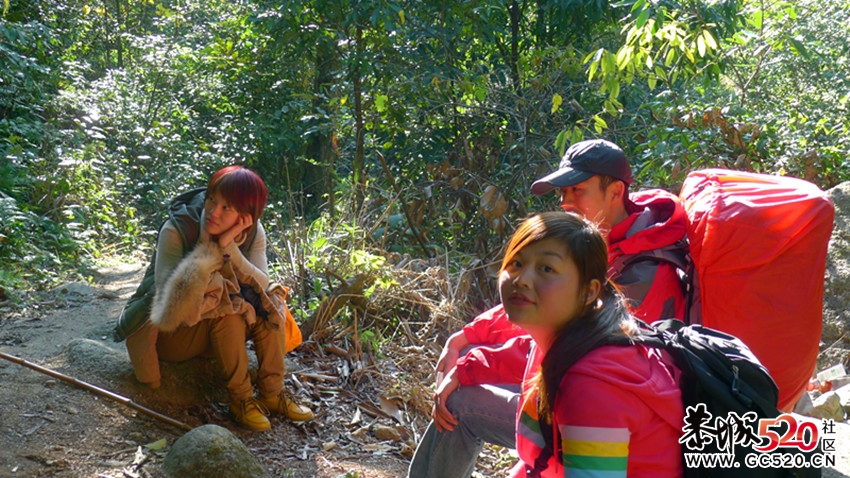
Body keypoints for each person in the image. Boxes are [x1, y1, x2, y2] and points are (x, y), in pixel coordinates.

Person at [408, 138, 688, 477]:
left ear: (615, 191)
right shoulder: (612, 239)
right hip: (587, 400)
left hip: (624, 427)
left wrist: (469, 368)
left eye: (577, 190)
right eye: (562, 193)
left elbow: (566, 348)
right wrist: (466, 337)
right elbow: (542, 314)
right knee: (476, 356)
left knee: (462, 404)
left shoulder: (642, 277)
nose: (566, 202)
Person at [115, 165, 313, 431]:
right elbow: (170, 308)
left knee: (272, 302)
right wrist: (206, 251)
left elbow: (263, 283)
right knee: (230, 308)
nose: (213, 211)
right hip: (174, 335)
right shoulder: (177, 229)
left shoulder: (253, 231)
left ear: (246, 215)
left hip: (210, 331)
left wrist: (230, 247)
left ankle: (272, 393)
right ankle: (241, 400)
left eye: (226, 208)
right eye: (211, 200)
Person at [488, 212, 684, 476]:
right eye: (516, 263)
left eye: (546, 268)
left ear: (589, 291)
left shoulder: (594, 385)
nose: (521, 279)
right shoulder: (559, 340)